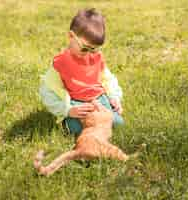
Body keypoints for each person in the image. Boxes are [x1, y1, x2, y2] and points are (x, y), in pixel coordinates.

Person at [39, 8, 124, 136]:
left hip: (99, 99)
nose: (88, 54)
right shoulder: (61, 63)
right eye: (85, 48)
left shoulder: (97, 58)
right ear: (71, 36)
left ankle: (99, 122)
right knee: (76, 129)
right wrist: (67, 110)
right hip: (76, 103)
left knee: (118, 123)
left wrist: (114, 97)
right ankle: (70, 123)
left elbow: (108, 79)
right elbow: (47, 91)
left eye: (94, 50)